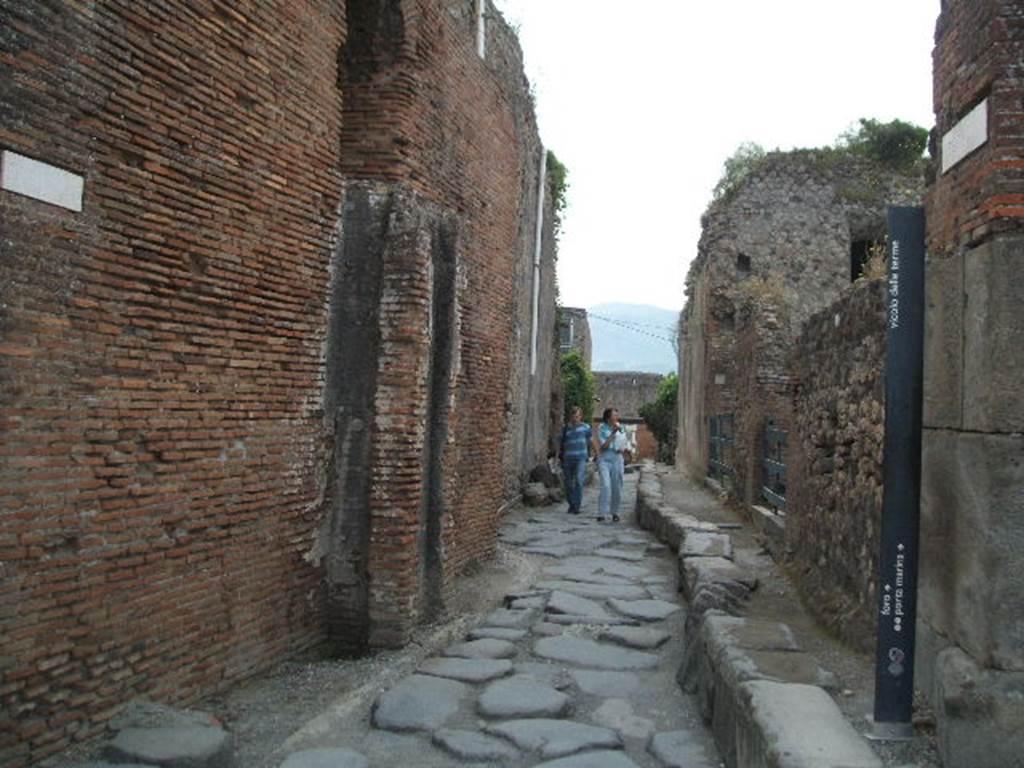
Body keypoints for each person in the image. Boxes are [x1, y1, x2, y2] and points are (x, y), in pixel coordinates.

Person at [593, 407, 627, 522]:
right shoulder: (602, 428)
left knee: (616, 486)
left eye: (617, 415)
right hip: (605, 459)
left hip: (617, 459)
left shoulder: (621, 427)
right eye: (614, 415)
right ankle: (601, 513)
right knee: (606, 485)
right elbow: (603, 446)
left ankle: (615, 512)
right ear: (608, 418)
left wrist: (623, 448)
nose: (616, 417)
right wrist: (613, 433)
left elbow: (624, 441)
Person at [558, 406, 592, 515]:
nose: (575, 418)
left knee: (579, 480)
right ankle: (571, 504)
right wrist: (557, 457)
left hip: (581, 458)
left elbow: (589, 441)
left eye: (577, 416)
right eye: (573, 416)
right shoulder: (565, 428)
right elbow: (560, 443)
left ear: (581, 416)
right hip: (568, 458)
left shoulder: (586, 427)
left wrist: (592, 454)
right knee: (568, 483)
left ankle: (576, 506)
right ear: (570, 416)